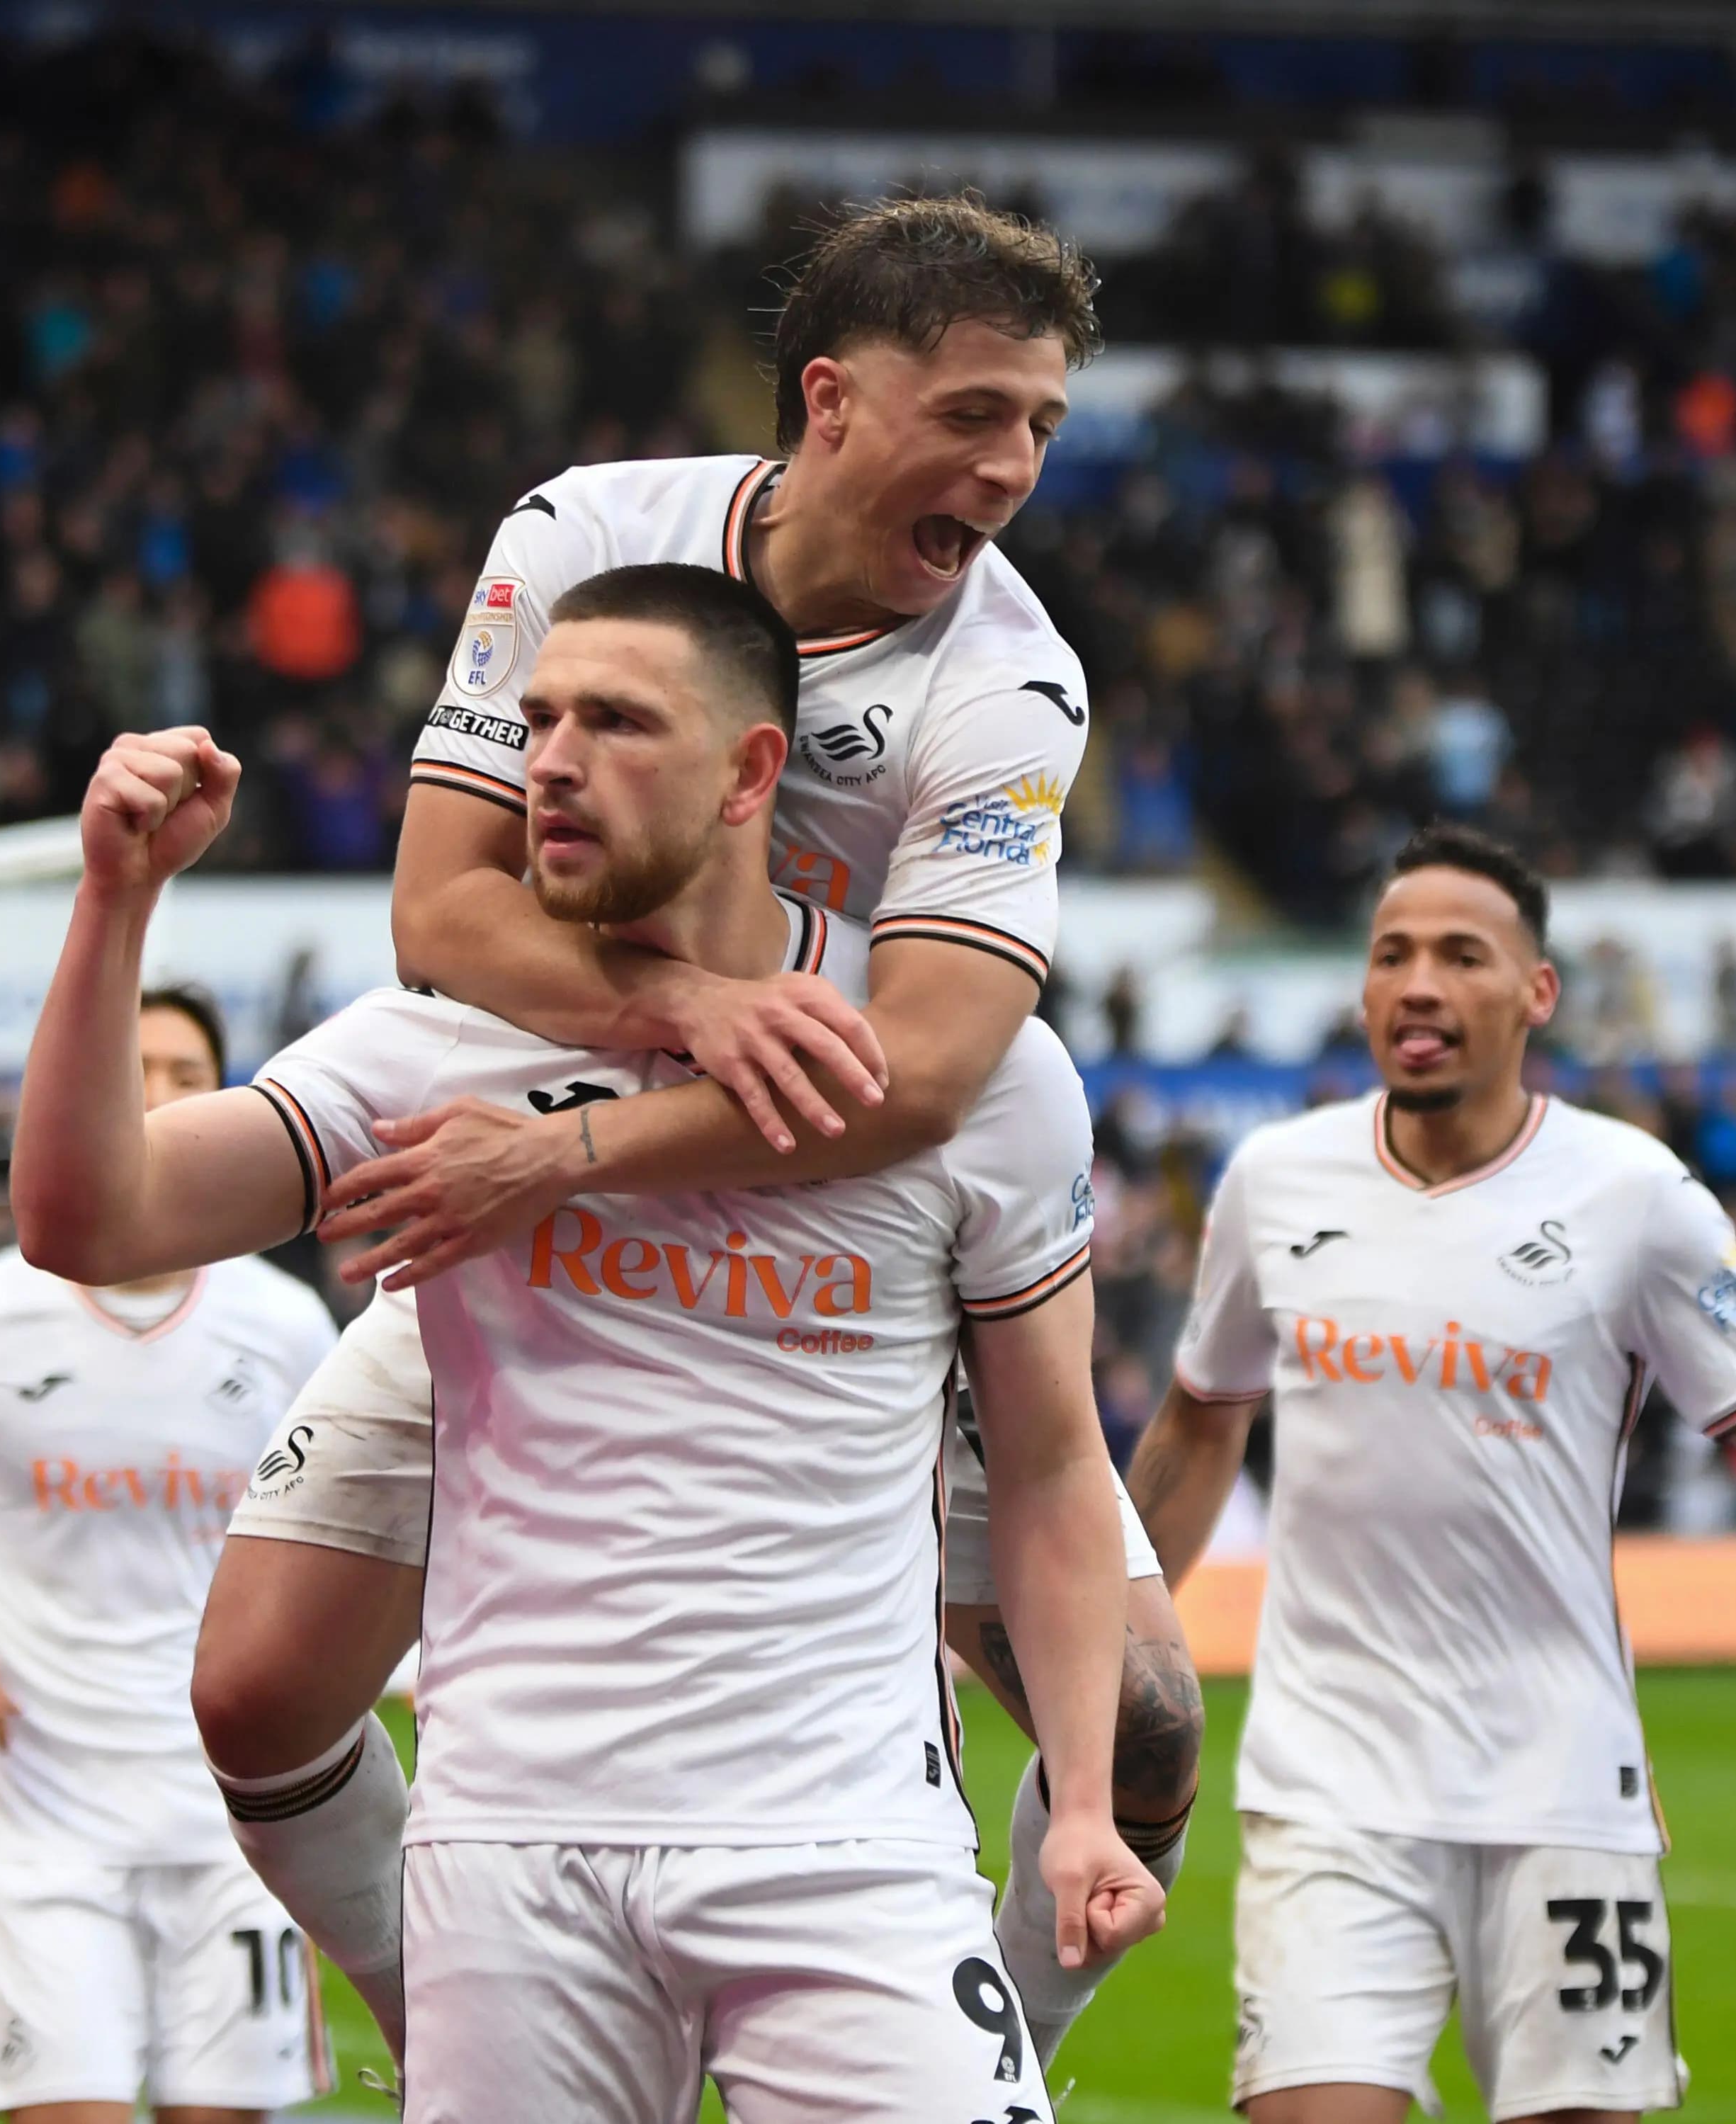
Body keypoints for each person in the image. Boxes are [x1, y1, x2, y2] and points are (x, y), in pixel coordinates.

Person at [186, 191, 1201, 2074]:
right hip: (552, 1219)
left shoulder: (1009, 681)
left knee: (1136, 1731)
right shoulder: (590, 532)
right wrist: (677, 1007)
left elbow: (917, 1073)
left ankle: (980, 2046)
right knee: (253, 1687)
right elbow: (442, 903)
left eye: (1044, 426)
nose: (1014, 466)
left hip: (837, 1243)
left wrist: (569, 1146)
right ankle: (466, 2025)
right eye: (976, 411)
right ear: (830, 399)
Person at [11, 569, 1164, 2116]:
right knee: (260, 1686)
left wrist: (1078, 1800)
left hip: (841, 1848)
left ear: (752, 771)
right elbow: (92, 1220)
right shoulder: (432, 1038)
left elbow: (1043, 1463)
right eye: (538, 718)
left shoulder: (964, 1073)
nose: (546, 759)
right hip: (506, 1862)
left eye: (614, 722)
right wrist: (113, 903)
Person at [1126, 820, 1736, 2124]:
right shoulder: (1273, 1179)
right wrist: (1105, 1635)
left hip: (1561, 1786)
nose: (1417, 981)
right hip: (1330, 1782)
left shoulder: (1635, 1193)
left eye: (1460, 954)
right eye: (1391, 953)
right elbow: (1202, 1425)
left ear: (1536, 992)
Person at [0, 986, 339, 2124]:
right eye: (134, 1065)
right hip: (47, 1819)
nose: (159, 1093)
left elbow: (342, 1533)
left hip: (238, 1819)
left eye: (185, 1071)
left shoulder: (286, 1325)